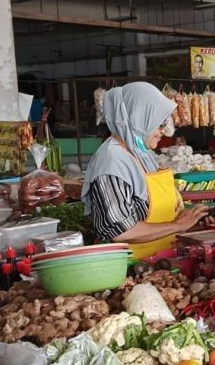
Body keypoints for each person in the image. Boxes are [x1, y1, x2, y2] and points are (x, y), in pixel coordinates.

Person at [81, 82, 208, 260]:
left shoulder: (142, 153)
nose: (163, 132)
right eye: (159, 124)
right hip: (130, 268)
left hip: (161, 259)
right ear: (138, 119)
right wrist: (177, 225)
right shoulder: (112, 162)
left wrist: (191, 218)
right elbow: (120, 230)